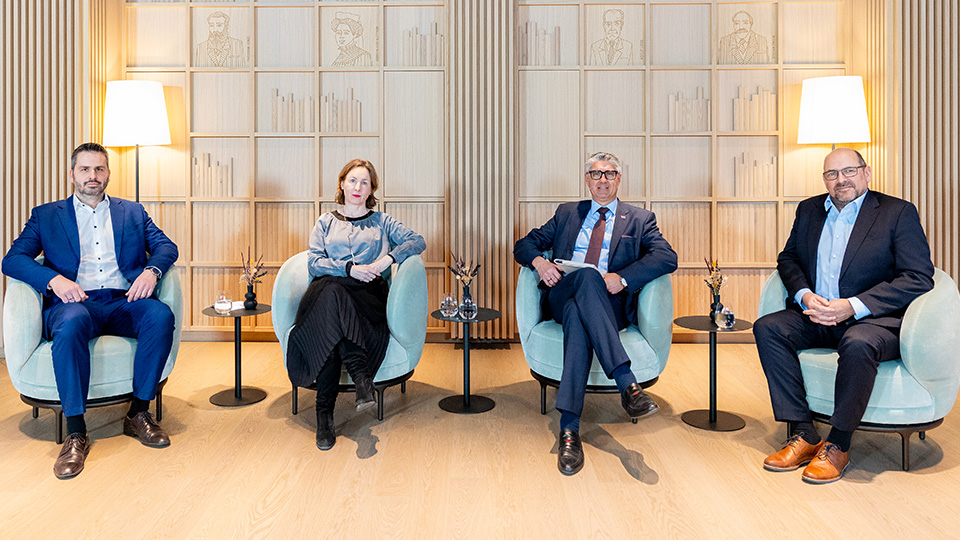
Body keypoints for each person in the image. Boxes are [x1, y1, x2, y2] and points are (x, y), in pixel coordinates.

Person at [754, 148, 934, 484]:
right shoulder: (809, 209)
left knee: (858, 343)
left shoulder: (897, 212)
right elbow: (788, 259)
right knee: (769, 328)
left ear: (867, 173)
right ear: (824, 179)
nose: (841, 180)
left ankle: (838, 443)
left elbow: (918, 276)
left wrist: (852, 305)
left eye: (849, 171)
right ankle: (805, 434)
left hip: (872, 321)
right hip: (816, 314)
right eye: (832, 174)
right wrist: (805, 295)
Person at [2, 142, 179, 479]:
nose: (92, 176)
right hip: (74, 303)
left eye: (99, 169)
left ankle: (138, 413)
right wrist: (54, 280)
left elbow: (166, 247)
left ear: (108, 173)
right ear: (72, 175)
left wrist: (150, 271)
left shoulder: (132, 212)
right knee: (69, 327)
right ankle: (75, 431)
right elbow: (12, 259)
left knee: (160, 315)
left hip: (120, 300)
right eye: (85, 169)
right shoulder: (46, 215)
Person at [514, 152, 678, 475]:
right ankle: (627, 385)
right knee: (586, 277)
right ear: (587, 179)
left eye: (610, 173)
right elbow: (524, 244)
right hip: (564, 292)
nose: (602, 179)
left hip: (608, 304)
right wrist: (541, 263)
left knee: (579, 315)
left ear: (619, 179)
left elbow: (667, 257)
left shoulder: (640, 220)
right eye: (596, 173)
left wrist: (623, 278)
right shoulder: (567, 213)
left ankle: (569, 431)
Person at [286, 159, 425, 451]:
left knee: (332, 328)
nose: (358, 187)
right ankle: (361, 378)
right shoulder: (325, 221)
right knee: (333, 294)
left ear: (372, 188)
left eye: (364, 182)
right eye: (352, 180)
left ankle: (325, 415)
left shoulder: (382, 221)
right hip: (326, 292)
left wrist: (387, 260)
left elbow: (417, 241)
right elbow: (314, 261)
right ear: (341, 184)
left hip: (366, 297)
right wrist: (349, 269)